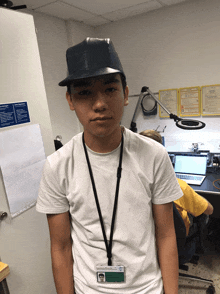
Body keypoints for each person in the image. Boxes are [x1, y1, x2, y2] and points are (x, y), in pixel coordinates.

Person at [36, 38, 183, 294]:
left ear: (125, 94)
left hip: (147, 289)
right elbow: (60, 248)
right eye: (84, 93)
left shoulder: (154, 155)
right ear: (70, 101)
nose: (100, 104)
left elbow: (166, 235)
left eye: (110, 89)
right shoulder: (57, 167)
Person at [139, 129, 214, 237]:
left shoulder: (131, 182)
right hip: (175, 235)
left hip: (147, 235)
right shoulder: (177, 186)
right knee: (203, 214)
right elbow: (209, 210)